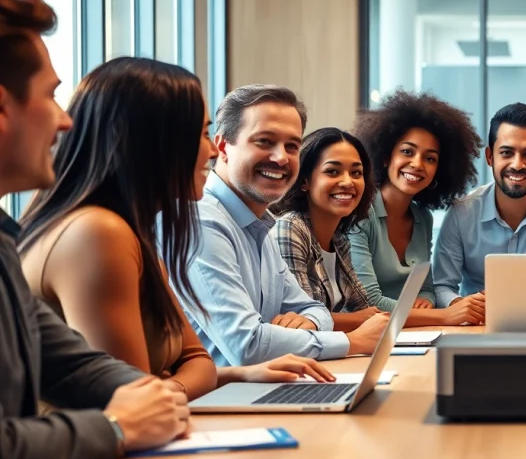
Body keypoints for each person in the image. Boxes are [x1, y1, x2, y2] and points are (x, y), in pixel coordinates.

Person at [18, 58, 336, 405]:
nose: (212, 151)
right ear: (152, 142)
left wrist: (232, 374)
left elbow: (197, 361)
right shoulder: (98, 233)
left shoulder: (135, 231)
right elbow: (137, 404)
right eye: (200, 134)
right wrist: (176, 385)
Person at [0, 0, 186, 459]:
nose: (65, 121)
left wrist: (148, 396)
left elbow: (72, 364)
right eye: (50, 96)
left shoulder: (3, 243)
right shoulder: (96, 231)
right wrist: (117, 428)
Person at [172, 84, 388, 366]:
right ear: (223, 146)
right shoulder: (202, 220)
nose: (281, 157)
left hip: (266, 387)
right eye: (264, 141)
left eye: (292, 146)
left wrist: (308, 323)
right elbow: (247, 345)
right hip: (220, 400)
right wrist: (354, 341)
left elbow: (314, 309)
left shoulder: (261, 225)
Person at [350, 90, 486, 325]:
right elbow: (368, 300)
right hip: (366, 334)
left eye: (430, 158)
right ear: (385, 156)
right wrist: (444, 315)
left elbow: (425, 287)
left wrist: (426, 300)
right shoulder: (360, 211)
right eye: (407, 151)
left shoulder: (423, 218)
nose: (417, 164)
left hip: (409, 333)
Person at [432, 103, 526, 309]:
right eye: (506, 153)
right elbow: (441, 286)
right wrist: (461, 305)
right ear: (489, 156)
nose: (517, 164)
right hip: (477, 326)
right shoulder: (462, 212)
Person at [271, 128, 385, 330]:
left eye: (356, 173)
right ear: (304, 181)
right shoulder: (290, 228)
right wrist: (359, 319)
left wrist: (365, 317)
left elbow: (365, 308)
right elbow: (300, 318)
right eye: (332, 171)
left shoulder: (339, 240)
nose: (348, 182)